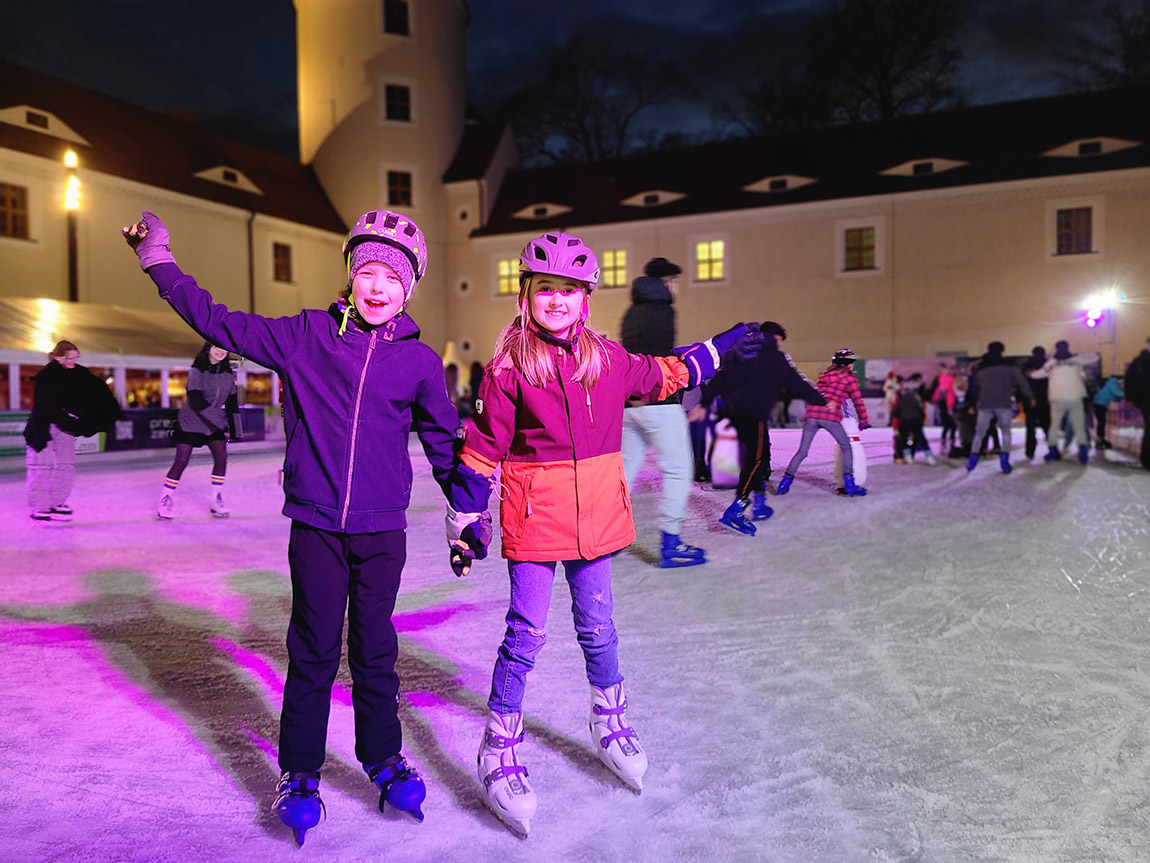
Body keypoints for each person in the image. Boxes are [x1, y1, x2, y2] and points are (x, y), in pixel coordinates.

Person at [122, 209, 489, 844]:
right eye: (367, 270)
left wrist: (467, 521)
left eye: (392, 278)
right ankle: (298, 772)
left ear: (410, 289)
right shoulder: (306, 337)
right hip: (316, 525)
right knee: (313, 652)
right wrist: (159, 261)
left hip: (381, 534)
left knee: (375, 652)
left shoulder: (422, 364)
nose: (377, 286)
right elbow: (219, 321)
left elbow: (441, 445)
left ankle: (382, 758)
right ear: (351, 275)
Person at [446, 231, 762, 837]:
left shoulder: (607, 359)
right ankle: (498, 743)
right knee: (526, 634)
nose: (557, 301)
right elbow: (482, 452)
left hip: (596, 516)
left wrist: (718, 348)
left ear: (585, 297)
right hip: (537, 521)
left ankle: (608, 719)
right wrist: (467, 520)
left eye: (569, 290)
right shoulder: (510, 368)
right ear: (527, 295)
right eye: (546, 290)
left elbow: (666, 373)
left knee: (598, 626)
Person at [619, 256, 705, 568]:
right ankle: (671, 543)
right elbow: (660, 359)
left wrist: (633, 394)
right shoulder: (663, 311)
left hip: (631, 406)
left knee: (623, 474)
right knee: (678, 470)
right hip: (660, 402)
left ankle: (609, 537)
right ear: (667, 281)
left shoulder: (632, 312)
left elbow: (631, 357)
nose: (677, 286)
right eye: (675, 280)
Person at [703, 320, 825, 536]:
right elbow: (794, 382)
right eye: (778, 340)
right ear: (772, 337)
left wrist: (705, 402)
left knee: (757, 457)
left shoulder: (742, 351)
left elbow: (722, 377)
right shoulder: (772, 356)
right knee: (757, 459)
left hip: (736, 411)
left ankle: (759, 501)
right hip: (753, 412)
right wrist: (820, 400)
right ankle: (737, 508)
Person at [23, 340, 120, 521]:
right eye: (70, 358)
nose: (73, 361)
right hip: (43, 427)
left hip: (66, 427)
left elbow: (95, 392)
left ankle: (56, 502)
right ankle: (39, 506)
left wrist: (102, 414)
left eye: (76, 358)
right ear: (59, 356)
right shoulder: (47, 376)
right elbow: (48, 406)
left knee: (66, 466)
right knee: (40, 466)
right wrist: (70, 422)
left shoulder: (80, 374)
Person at [157, 343, 238, 519]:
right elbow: (196, 401)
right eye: (216, 347)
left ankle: (216, 500)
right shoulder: (197, 371)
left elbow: (232, 403)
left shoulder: (228, 374)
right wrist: (221, 423)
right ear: (207, 348)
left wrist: (236, 429)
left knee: (221, 458)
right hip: (191, 421)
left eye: (223, 348)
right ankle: (165, 499)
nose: (220, 351)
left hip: (213, 423)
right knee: (181, 461)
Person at [776, 349, 870, 496]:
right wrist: (864, 420)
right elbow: (858, 401)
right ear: (849, 364)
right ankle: (850, 484)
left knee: (802, 451)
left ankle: (784, 483)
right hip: (829, 417)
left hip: (812, 415)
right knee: (846, 447)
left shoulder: (825, 376)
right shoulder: (849, 379)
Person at [965, 341, 1033, 474]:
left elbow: (975, 387)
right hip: (1003, 403)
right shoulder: (1009, 366)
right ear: (1002, 350)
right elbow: (1021, 382)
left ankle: (972, 458)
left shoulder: (981, 367)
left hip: (984, 403)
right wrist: (1030, 396)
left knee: (980, 432)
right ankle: (1004, 460)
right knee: (1006, 432)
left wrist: (973, 403)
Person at [1031, 340, 1090, 464]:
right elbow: (1083, 374)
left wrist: (1030, 374)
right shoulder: (1077, 360)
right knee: (1079, 426)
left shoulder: (1052, 363)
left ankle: (1052, 452)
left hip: (1057, 398)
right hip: (1076, 397)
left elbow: (1039, 374)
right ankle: (1083, 454)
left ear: (1056, 349)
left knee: (1054, 426)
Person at [891, 373, 937, 465]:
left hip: (905, 420)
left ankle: (907, 456)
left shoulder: (902, 399)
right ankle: (929, 457)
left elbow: (895, 412)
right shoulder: (917, 398)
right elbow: (921, 410)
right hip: (917, 419)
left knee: (903, 436)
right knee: (920, 437)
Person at [1123, 336, 1150, 469]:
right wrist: (1131, 398)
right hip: (1146, 400)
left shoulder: (1139, 362)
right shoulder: (1140, 362)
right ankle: (1146, 458)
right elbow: (1129, 380)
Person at [1022, 346, 1051, 460]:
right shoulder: (1048, 365)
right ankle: (1053, 449)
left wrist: (1024, 398)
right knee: (1047, 426)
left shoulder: (1027, 366)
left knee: (1030, 427)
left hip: (1030, 401)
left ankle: (1030, 451)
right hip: (1045, 400)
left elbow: (1023, 384)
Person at [1091, 373, 1124, 450]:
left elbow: (1115, 398)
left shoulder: (1113, 384)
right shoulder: (1112, 382)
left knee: (1102, 422)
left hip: (1101, 404)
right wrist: (1128, 394)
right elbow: (1116, 392)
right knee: (1101, 422)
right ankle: (1100, 440)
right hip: (1099, 403)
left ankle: (1100, 439)